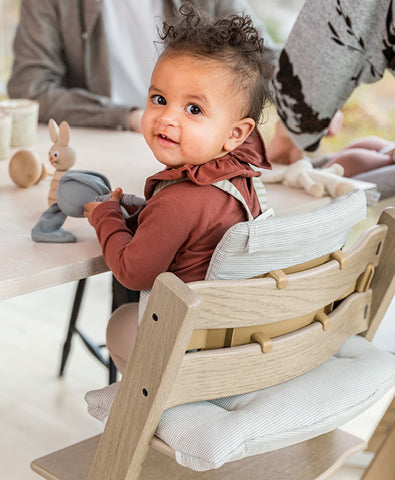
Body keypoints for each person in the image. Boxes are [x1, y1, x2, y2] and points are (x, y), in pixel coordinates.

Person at [83, 5, 271, 372]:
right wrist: (139, 211)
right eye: (159, 99)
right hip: (228, 333)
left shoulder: (180, 201)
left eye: (194, 109)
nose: (167, 117)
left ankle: (161, 408)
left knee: (120, 323)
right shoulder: (242, 175)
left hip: (189, 347)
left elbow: (132, 271)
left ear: (235, 133)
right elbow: (192, 231)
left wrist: (105, 215)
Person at [7, 0, 279, 132]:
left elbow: (262, 56)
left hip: (195, 144)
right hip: (100, 141)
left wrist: (307, 110)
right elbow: (30, 89)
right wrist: (129, 117)